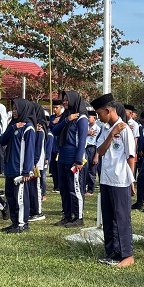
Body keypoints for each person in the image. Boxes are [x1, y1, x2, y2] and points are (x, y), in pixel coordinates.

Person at [92, 93, 136, 267]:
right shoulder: (105, 129)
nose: (98, 117)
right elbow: (101, 151)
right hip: (106, 178)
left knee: (122, 217)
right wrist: (111, 134)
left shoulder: (125, 129)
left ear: (108, 110)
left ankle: (127, 254)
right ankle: (112, 251)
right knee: (108, 217)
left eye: (100, 114)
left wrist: (131, 180)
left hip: (121, 180)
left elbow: (130, 157)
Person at [0, 99, 37, 234]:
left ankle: (22, 224)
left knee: (20, 197)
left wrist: (26, 171)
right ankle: (15, 223)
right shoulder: (14, 125)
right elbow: (2, 141)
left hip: (20, 170)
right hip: (10, 167)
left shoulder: (28, 128)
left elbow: (30, 151)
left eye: (16, 109)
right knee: (10, 196)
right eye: (13, 109)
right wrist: (13, 128)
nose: (14, 111)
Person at [52, 91, 89, 228]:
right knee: (64, 188)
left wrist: (79, 160)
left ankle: (78, 217)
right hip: (62, 157)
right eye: (64, 100)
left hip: (74, 158)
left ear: (74, 100)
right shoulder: (67, 116)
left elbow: (82, 141)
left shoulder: (82, 118)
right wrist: (66, 120)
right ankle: (67, 216)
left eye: (67, 100)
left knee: (75, 188)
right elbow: (55, 131)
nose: (65, 102)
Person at [82, 110, 101, 195]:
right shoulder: (85, 127)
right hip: (84, 148)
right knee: (84, 169)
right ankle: (83, 187)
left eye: (89, 117)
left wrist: (96, 155)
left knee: (92, 170)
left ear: (95, 118)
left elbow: (99, 143)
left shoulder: (98, 129)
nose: (88, 119)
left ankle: (90, 189)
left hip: (92, 149)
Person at [49, 99, 64, 192]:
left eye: (56, 107)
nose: (55, 109)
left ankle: (60, 185)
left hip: (60, 145)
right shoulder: (51, 118)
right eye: (54, 107)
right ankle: (56, 186)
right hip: (52, 145)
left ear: (61, 108)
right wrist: (53, 123)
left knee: (59, 168)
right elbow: (49, 128)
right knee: (53, 167)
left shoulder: (63, 118)